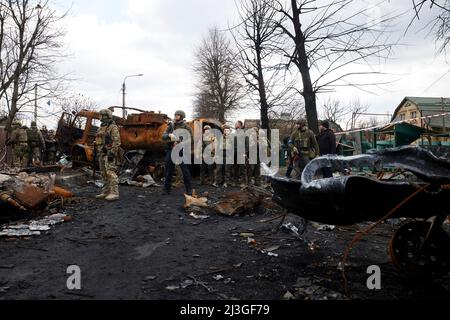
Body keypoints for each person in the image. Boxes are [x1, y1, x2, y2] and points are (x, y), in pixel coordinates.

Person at [162, 110, 192, 195]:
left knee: (185, 171)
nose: (176, 116)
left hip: (182, 150)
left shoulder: (186, 126)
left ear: (182, 116)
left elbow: (191, 139)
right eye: (175, 115)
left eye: (178, 115)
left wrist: (182, 142)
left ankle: (189, 190)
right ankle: (166, 189)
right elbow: (163, 136)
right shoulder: (171, 126)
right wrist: (169, 135)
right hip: (171, 149)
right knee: (168, 170)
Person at [95, 109, 121, 201]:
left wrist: (112, 153)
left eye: (101, 115)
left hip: (108, 153)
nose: (100, 117)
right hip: (101, 153)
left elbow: (117, 141)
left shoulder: (112, 127)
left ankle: (114, 192)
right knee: (103, 173)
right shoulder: (101, 127)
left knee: (110, 172)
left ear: (105, 116)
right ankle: (106, 191)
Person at [233, 120, 249, 187]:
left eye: (236, 124)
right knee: (235, 168)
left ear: (240, 125)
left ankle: (244, 182)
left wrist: (245, 153)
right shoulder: (234, 133)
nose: (235, 125)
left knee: (242, 168)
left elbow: (247, 145)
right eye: (235, 124)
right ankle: (236, 181)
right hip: (234, 153)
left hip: (242, 153)